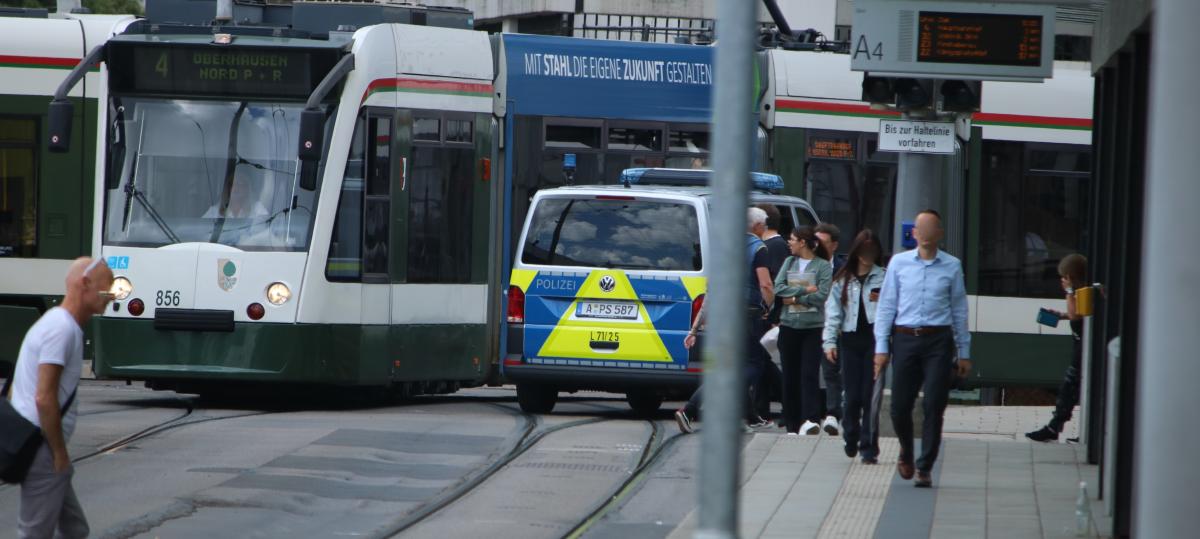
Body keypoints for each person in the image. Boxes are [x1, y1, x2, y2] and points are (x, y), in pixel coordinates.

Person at [11, 257, 114, 538]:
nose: (110, 299)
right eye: (106, 293)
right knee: (35, 532)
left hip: (40, 444)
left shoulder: (59, 324)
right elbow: (44, 397)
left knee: (75, 529)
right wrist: (58, 453)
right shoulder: (62, 328)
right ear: (85, 285)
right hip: (42, 447)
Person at [874, 209, 970, 488]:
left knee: (933, 404)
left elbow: (959, 310)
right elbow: (886, 307)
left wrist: (964, 351)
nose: (926, 232)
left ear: (939, 233)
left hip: (938, 340)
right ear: (913, 233)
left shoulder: (952, 266)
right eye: (921, 227)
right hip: (905, 338)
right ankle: (906, 449)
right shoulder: (899, 264)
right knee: (899, 407)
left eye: (931, 227)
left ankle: (925, 465)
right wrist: (881, 347)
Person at [675, 207, 775, 433]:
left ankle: (746, 417)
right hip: (747, 313)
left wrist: (694, 328)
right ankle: (689, 411)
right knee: (752, 364)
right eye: (764, 224)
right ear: (757, 226)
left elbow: (710, 293)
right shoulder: (759, 249)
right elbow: (766, 284)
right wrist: (769, 307)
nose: (766, 228)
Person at [823, 229, 886, 463]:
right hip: (849, 341)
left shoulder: (885, 277)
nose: (867, 256)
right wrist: (829, 342)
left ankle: (869, 448)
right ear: (856, 251)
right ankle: (850, 434)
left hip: (875, 342)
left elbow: (891, 311)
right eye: (863, 251)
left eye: (872, 251)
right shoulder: (842, 279)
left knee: (871, 397)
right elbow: (833, 314)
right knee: (851, 397)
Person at [774, 226, 832, 435]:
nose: (788, 243)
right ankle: (791, 423)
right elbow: (778, 288)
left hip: (812, 328)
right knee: (789, 376)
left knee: (808, 374)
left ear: (803, 242)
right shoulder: (789, 262)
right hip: (789, 326)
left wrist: (795, 299)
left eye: (791, 239)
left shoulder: (823, 266)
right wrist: (804, 290)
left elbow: (822, 295)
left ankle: (811, 420)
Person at [1027, 254, 1088, 442]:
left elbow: (1077, 316)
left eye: (1065, 277)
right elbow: (1077, 315)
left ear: (1071, 277)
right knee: (1072, 390)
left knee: (1069, 390)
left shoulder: (1082, 292)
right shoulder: (1083, 293)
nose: (1062, 281)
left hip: (1083, 352)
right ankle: (1058, 427)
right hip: (1081, 349)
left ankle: (1054, 428)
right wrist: (1061, 316)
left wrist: (1069, 291)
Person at [754, 204, 788, 421]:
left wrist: (772, 314)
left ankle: (784, 399)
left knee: (759, 360)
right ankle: (760, 407)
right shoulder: (770, 246)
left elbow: (772, 284)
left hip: (766, 314)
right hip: (765, 313)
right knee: (759, 360)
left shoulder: (772, 247)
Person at [814, 222, 844, 435]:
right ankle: (810, 414)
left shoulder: (843, 269)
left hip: (833, 326)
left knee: (831, 370)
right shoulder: (808, 265)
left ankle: (833, 413)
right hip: (810, 323)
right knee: (808, 370)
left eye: (823, 243)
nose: (818, 247)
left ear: (834, 245)